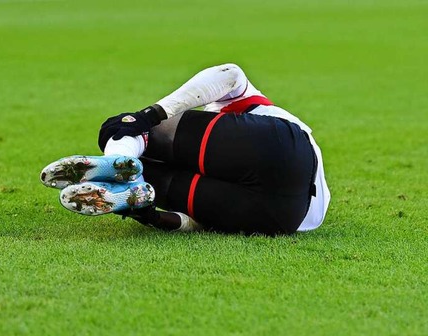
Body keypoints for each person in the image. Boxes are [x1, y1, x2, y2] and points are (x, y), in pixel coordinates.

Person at [40, 63, 330, 235]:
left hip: (281, 184)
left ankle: (120, 164)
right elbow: (201, 222)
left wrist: (149, 116)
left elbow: (230, 74)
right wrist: (156, 218)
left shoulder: (227, 106)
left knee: (117, 128)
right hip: (287, 218)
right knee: (152, 177)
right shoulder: (235, 130)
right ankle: (133, 194)